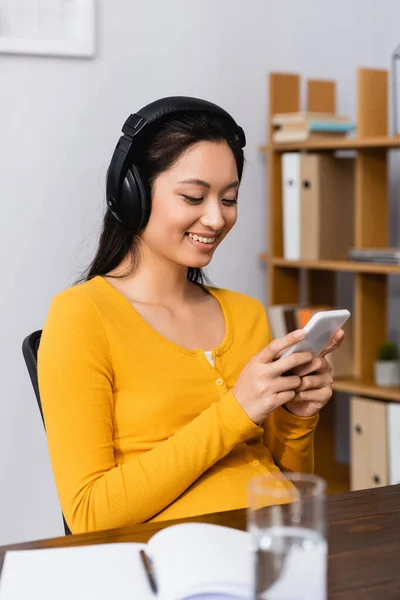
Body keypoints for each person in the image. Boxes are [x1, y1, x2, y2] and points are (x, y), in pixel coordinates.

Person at [38, 97, 343, 534]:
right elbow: (88, 515)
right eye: (194, 196)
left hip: (276, 545)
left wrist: (296, 415)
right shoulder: (82, 316)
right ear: (132, 194)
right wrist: (236, 410)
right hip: (177, 564)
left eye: (230, 198)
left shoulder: (246, 312)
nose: (217, 218)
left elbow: (284, 483)